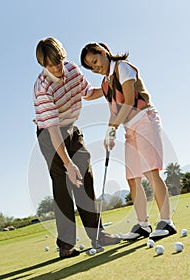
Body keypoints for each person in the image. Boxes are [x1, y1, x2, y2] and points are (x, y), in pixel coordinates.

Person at [33, 37, 122, 259]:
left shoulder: (71, 69)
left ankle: (98, 234)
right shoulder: (42, 88)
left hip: (71, 129)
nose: (56, 69)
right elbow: (53, 131)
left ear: (63, 57)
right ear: (44, 65)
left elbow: (89, 93)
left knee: (86, 177)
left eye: (58, 62)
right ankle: (66, 245)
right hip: (50, 136)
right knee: (63, 184)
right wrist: (68, 164)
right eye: (50, 65)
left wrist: (108, 85)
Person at [80, 42, 177, 240]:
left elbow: (130, 101)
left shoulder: (123, 67)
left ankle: (166, 222)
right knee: (132, 178)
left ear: (104, 52)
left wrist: (113, 127)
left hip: (144, 120)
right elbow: (114, 111)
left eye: (95, 60)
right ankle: (143, 225)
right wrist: (110, 133)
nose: (95, 67)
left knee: (151, 172)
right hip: (129, 129)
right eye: (91, 66)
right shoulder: (106, 84)